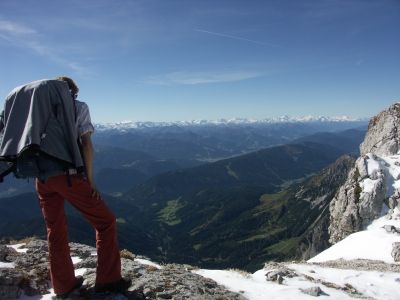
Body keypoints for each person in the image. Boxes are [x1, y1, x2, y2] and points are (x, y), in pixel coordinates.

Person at [34, 76, 131, 298]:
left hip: (41, 179)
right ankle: (108, 280)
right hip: (68, 176)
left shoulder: (36, 111)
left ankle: (63, 285)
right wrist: (90, 180)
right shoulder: (78, 107)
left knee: (55, 230)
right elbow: (86, 144)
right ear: (71, 92)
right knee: (106, 222)